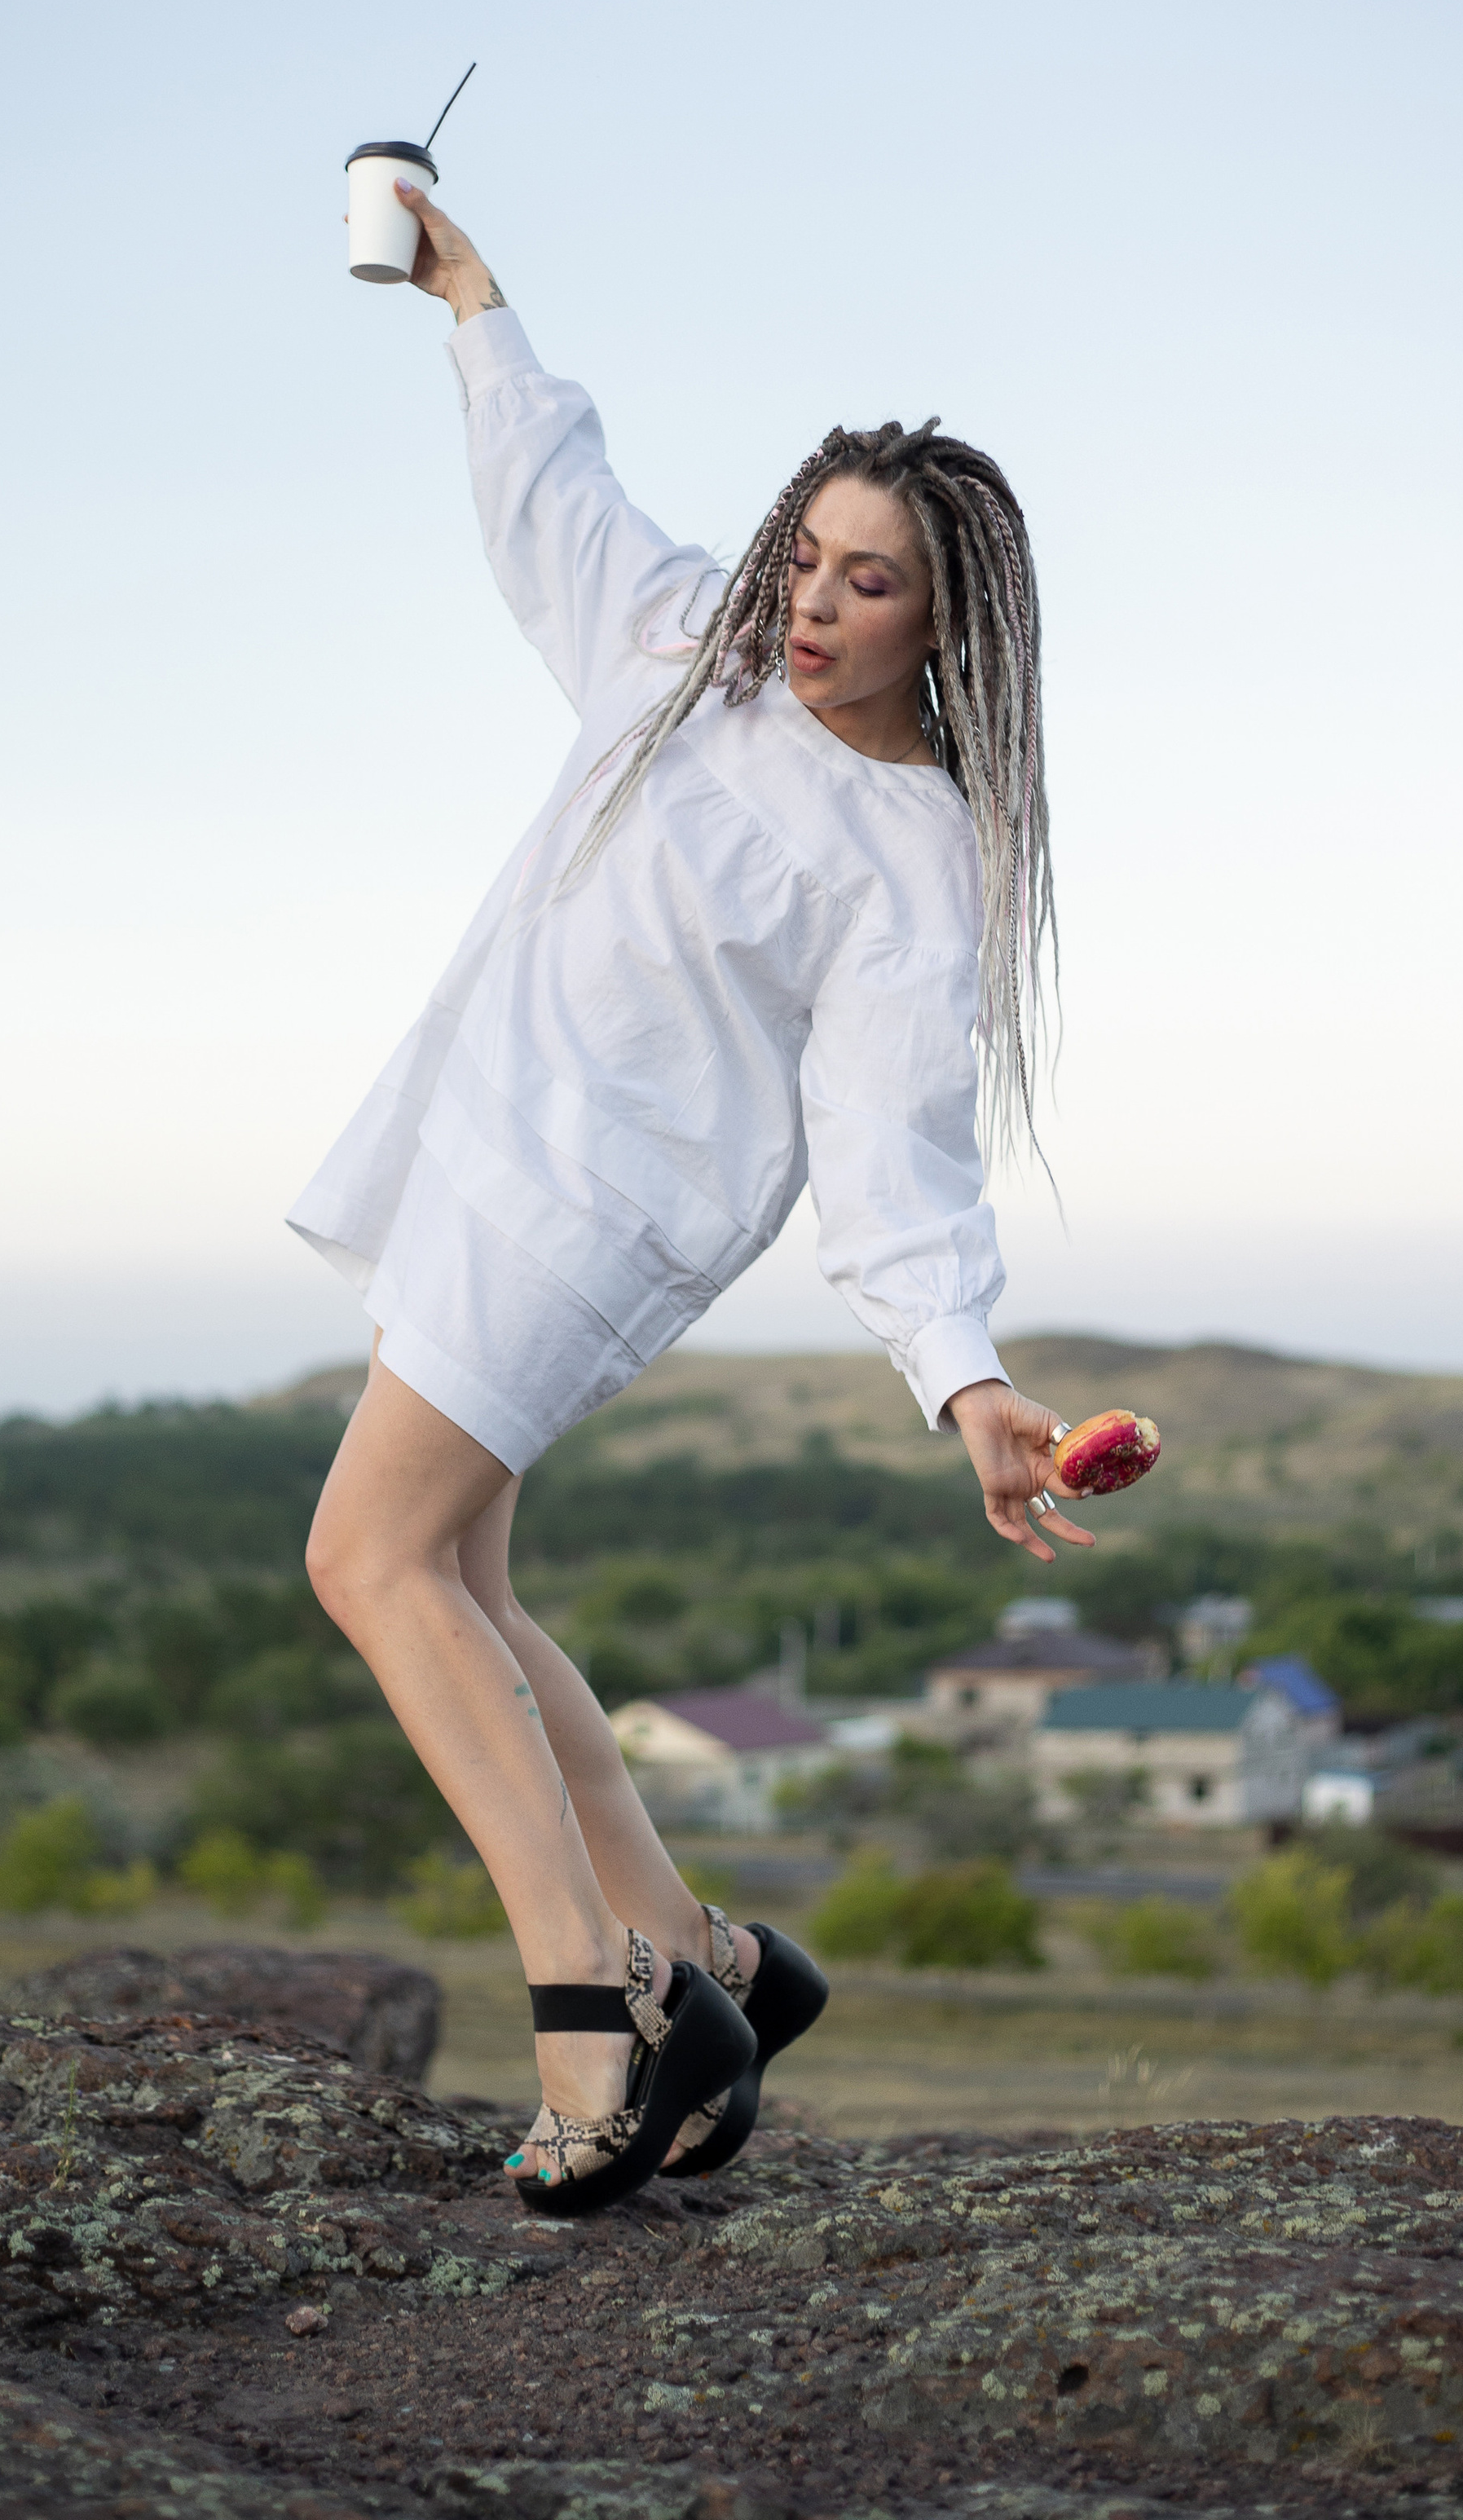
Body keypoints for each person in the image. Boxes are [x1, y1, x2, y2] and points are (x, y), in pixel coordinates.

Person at [297, 181, 1095, 2214]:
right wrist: (469, 302)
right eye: (805, 557)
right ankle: (708, 1961)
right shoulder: (689, 652)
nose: (816, 606)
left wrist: (963, 1378)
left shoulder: (918, 858)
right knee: (463, 1588)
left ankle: (599, 2009)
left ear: (950, 623)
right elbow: (554, 500)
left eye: (871, 585)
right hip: (484, 1153)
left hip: (599, 1221)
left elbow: (892, 1144)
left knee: (367, 1564)